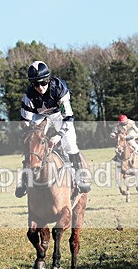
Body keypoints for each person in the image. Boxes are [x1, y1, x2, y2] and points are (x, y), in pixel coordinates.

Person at [15, 60, 90, 197]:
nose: (40, 87)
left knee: (70, 144)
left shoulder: (59, 89)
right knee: (32, 144)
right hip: (40, 117)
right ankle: (23, 180)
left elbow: (68, 117)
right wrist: (33, 132)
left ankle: (81, 177)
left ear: (48, 80)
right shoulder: (29, 96)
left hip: (59, 115)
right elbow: (25, 122)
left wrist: (58, 135)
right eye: (36, 84)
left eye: (43, 82)